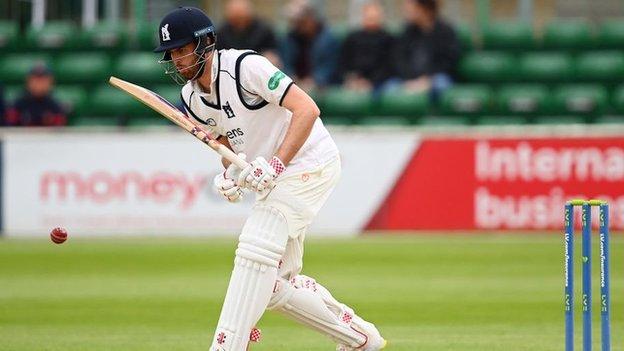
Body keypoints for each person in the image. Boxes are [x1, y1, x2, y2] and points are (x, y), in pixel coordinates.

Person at [154, 6, 386, 351]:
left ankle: (227, 344)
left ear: (205, 44)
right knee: (272, 283)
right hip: (275, 178)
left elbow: (307, 109)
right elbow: (228, 141)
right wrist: (230, 171)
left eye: (183, 49)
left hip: (311, 163)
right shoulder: (192, 97)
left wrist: (275, 164)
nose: (177, 60)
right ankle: (358, 338)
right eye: (172, 53)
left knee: (254, 247)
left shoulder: (245, 67)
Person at [394, 0, 461, 100]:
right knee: (391, 88)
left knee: (441, 84)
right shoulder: (407, 31)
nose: (406, 11)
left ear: (423, 8)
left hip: (436, 78)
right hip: (410, 79)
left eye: (410, 8)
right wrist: (410, 80)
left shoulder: (445, 31)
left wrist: (428, 80)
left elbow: (449, 61)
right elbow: (399, 58)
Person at [280, 0, 339, 90]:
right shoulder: (290, 38)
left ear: (311, 18)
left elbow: (330, 68)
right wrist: (291, 78)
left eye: (301, 21)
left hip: (321, 88)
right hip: (294, 85)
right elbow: (286, 63)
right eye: (295, 22)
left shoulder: (328, 39)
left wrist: (315, 80)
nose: (297, 25)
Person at [339, 1, 395, 92]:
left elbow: (389, 66)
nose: (372, 21)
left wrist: (371, 82)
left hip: (380, 84)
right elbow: (343, 64)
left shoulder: (388, 39)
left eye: (375, 17)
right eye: (369, 18)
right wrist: (352, 79)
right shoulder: (352, 38)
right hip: (355, 82)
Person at [217, 0, 281, 66]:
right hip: (231, 67)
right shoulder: (222, 32)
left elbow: (273, 54)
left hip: (258, 64)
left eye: (241, 17)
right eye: (235, 18)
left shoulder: (264, 29)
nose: (239, 22)